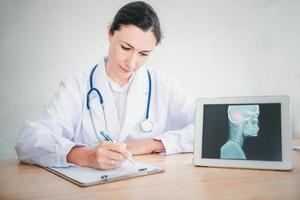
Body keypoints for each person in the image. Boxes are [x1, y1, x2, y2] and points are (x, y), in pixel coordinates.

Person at [15, 1, 194, 170]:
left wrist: (152, 144)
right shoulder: (77, 85)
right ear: (110, 33)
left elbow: (204, 130)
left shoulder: (164, 84)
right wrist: (85, 155)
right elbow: (28, 141)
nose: (131, 63)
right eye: (125, 48)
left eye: (144, 54)